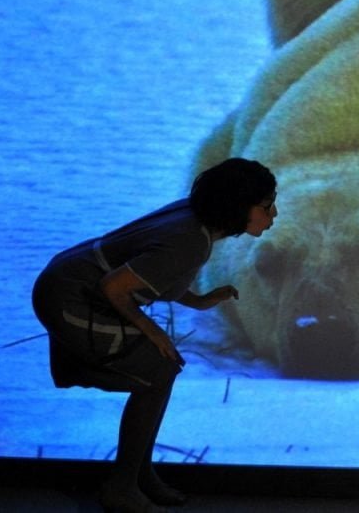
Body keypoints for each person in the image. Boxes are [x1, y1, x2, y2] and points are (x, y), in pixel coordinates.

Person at [32, 157, 277, 513]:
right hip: (72, 297)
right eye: (266, 207)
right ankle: (123, 486)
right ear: (238, 206)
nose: (273, 215)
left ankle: (138, 476)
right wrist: (154, 332)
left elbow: (156, 273)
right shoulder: (190, 240)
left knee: (161, 372)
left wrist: (201, 300)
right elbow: (114, 287)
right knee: (158, 371)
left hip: (70, 281)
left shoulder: (193, 222)